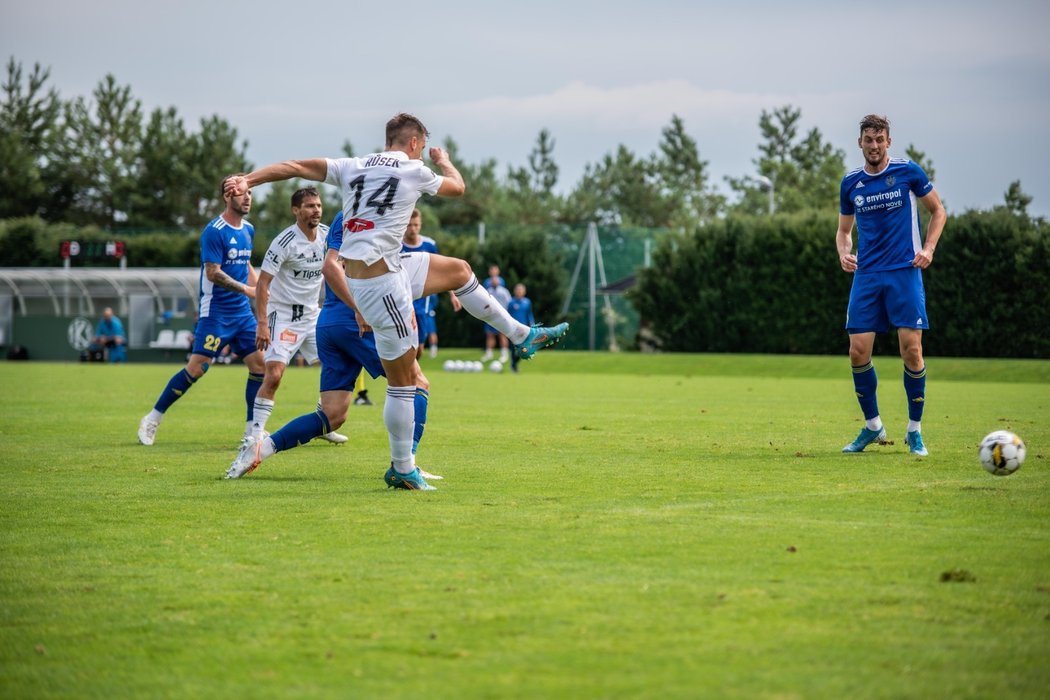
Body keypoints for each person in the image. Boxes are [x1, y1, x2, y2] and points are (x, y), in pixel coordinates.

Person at [223, 112, 568, 490]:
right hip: (380, 287)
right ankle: (403, 468)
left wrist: (248, 179)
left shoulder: (353, 166)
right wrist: (444, 161)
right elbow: (457, 188)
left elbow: (295, 166)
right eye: (422, 149)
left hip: (386, 270)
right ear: (415, 144)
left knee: (459, 271)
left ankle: (520, 335)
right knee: (407, 382)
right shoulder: (414, 170)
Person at [226, 205, 440, 481]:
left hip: (328, 321)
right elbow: (332, 267)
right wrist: (360, 307)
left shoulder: (344, 217)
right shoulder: (371, 219)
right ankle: (407, 467)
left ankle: (260, 449)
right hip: (354, 323)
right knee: (417, 382)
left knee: (332, 414)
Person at [836, 114, 946, 457]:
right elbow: (843, 232)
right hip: (867, 275)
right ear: (860, 143)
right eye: (868, 139)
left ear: (888, 141)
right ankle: (872, 426)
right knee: (857, 351)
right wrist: (844, 253)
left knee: (912, 350)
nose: (874, 145)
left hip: (904, 271)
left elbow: (938, 211)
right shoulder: (851, 183)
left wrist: (928, 249)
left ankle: (914, 431)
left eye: (879, 139)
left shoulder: (907, 172)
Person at [137, 175, 265, 447]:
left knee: (259, 365)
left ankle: (251, 432)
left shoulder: (248, 230)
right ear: (227, 196)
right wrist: (247, 290)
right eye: (241, 192)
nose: (247, 197)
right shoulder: (214, 231)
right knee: (197, 368)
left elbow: (246, 264)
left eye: (250, 193)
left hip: (242, 315)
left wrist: (261, 289)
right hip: (215, 313)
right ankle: (152, 418)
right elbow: (213, 272)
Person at [247, 186, 347, 445]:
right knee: (275, 374)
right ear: (296, 210)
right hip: (283, 317)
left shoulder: (327, 236)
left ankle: (323, 421)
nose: (316, 210)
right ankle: (254, 434)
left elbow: (341, 269)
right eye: (310, 206)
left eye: (319, 206)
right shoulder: (284, 242)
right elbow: (262, 284)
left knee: (338, 367)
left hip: (314, 316)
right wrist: (261, 323)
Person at [402, 207, 462, 359]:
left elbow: (441, 271)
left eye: (416, 225)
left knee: (420, 347)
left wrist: (453, 295)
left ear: (420, 224)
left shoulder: (429, 245)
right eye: (409, 225)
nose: (413, 228)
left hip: (422, 303)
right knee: (401, 345)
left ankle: (411, 375)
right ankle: (405, 379)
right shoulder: (395, 244)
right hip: (399, 300)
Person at [480, 265, 510, 363]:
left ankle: (504, 354)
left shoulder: (504, 291)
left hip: (501, 315)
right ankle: (489, 353)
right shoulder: (488, 290)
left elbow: (508, 303)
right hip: (490, 315)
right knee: (489, 334)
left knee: (502, 334)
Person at [506, 283, 534, 373]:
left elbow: (529, 315)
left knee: (523, 350)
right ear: (515, 291)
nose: (519, 291)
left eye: (521, 290)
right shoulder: (511, 302)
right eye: (518, 290)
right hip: (513, 330)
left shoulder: (527, 302)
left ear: (524, 292)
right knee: (514, 349)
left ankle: (514, 364)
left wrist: (532, 325)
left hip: (524, 330)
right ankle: (513, 365)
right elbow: (507, 316)